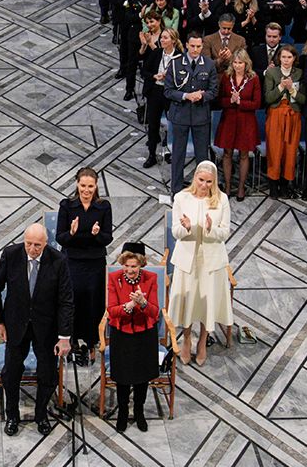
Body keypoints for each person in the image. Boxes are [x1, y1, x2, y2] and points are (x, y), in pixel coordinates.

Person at [0, 222, 74, 438]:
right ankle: (12, 415)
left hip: (46, 327)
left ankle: (41, 414)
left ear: (46, 243)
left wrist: (64, 337)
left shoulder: (58, 260)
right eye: (29, 244)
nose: (32, 250)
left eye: (37, 245)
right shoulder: (11, 254)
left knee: (48, 374)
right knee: (11, 373)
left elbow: (66, 301)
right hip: (16, 325)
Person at [169, 162, 232, 366]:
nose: (204, 185)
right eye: (201, 180)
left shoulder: (221, 200)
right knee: (188, 303)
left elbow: (224, 233)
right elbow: (175, 232)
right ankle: (187, 339)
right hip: (188, 259)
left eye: (209, 182)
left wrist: (210, 229)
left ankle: (203, 341)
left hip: (211, 261)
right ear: (195, 177)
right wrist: (186, 228)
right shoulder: (181, 198)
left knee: (206, 303)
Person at [55, 166, 113, 365]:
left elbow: (108, 238)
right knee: (72, 302)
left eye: (90, 186)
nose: (86, 190)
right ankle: (70, 340)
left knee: (92, 303)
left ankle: (90, 342)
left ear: (96, 186)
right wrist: (71, 233)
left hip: (95, 263)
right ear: (76, 185)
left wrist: (97, 235)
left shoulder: (103, 206)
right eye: (83, 186)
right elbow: (60, 238)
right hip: (72, 261)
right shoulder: (67, 206)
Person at [104, 241, 159, 434]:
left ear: (141, 264)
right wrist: (128, 306)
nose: (129, 270)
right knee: (123, 376)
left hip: (145, 334)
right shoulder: (114, 278)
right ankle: (122, 412)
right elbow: (111, 310)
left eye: (133, 266)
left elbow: (155, 313)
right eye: (126, 266)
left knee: (142, 376)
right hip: (122, 334)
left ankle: (139, 411)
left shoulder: (151, 279)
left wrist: (143, 303)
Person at [162, 34, 218, 191]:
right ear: (186, 45)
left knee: (202, 157)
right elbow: (168, 91)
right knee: (178, 155)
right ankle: (176, 190)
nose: (195, 49)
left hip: (201, 116)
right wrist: (186, 96)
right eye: (192, 46)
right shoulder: (175, 63)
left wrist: (201, 96)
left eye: (199, 46)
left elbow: (213, 91)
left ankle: (202, 191)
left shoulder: (209, 64)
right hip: (180, 115)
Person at [213, 49, 262, 200]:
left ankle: (241, 187)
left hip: (246, 121)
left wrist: (241, 102)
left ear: (246, 63)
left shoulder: (253, 78)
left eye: (240, 63)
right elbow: (220, 100)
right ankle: (227, 186)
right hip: (229, 119)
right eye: (235, 62)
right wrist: (231, 101)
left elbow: (257, 103)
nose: (237, 66)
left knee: (244, 154)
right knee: (227, 154)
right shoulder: (227, 77)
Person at [262, 44, 304, 199]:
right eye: (284, 57)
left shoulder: (299, 73)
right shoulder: (272, 73)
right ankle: (273, 185)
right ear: (279, 58)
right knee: (275, 150)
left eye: (289, 57)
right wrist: (281, 86)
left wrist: (292, 89)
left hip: (293, 115)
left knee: (290, 151)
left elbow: (303, 99)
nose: (286, 60)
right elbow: (268, 98)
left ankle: (285, 186)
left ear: (294, 59)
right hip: (276, 114)